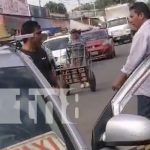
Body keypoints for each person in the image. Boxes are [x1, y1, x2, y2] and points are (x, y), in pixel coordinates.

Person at [112, 2, 150, 118]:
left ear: (141, 15)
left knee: (145, 122)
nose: (130, 20)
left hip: (147, 88)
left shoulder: (143, 33)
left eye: (132, 16)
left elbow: (133, 61)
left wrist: (119, 80)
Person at [21, 20, 59, 90]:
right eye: (38, 33)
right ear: (29, 36)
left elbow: (49, 71)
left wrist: (56, 85)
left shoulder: (42, 52)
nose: (41, 36)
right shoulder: (21, 57)